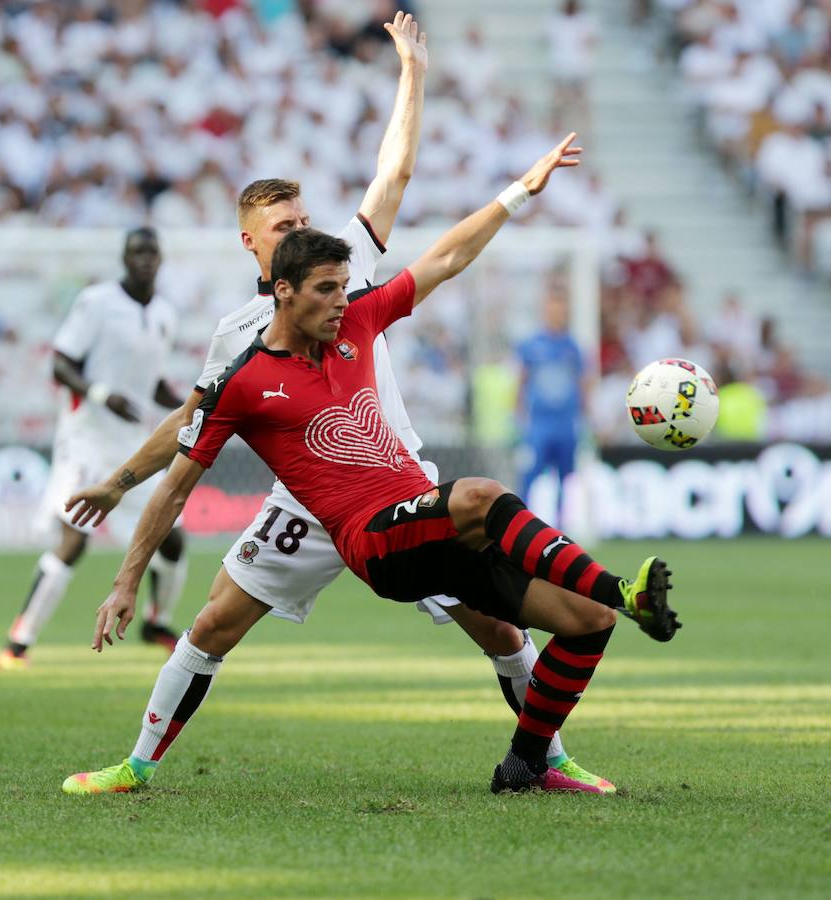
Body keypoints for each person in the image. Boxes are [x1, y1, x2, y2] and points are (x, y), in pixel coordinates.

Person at [62, 12, 611, 793]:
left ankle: (545, 759)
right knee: (216, 621)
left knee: (496, 624)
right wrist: (118, 483)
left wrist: (413, 77)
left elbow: (394, 178)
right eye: (282, 226)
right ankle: (137, 765)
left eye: (302, 220)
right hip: (307, 500)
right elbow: (189, 425)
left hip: (396, 488)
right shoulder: (238, 340)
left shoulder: (343, 283)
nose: (300, 231)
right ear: (253, 246)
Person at [0, 228, 188, 669]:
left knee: (172, 538)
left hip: (131, 443)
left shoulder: (163, 313)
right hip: (85, 438)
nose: (144, 259)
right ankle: (19, 641)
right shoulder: (97, 303)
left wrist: (188, 407)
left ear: (160, 260)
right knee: (74, 539)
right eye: (136, 252)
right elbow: (60, 363)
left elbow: (151, 383)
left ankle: (156, 621)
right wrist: (102, 395)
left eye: (151, 252)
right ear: (125, 258)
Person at [516, 289, 588, 519]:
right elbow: (522, 380)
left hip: (566, 422)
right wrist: (518, 414)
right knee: (530, 473)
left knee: (565, 477)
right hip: (540, 422)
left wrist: (586, 416)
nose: (556, 315)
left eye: (560, 311)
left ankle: (560, 523)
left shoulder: (572, 347)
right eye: (552, 310)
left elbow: (583, 382)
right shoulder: (531, 345)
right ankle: (520, 519)